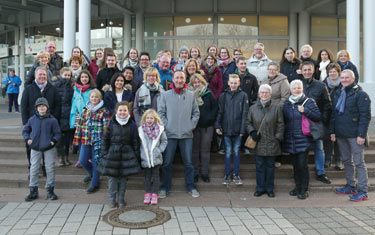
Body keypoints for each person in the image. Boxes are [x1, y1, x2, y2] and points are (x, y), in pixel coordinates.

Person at [157, 70, 200, 198]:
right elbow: (160, 113)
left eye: (182, 78)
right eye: (177, 78)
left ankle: (191, 186)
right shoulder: (165, 95)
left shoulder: (191, 95)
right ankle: (165, 187)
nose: (179, 80)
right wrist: (167, 126)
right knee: (167, 163)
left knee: (188, 163)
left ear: (185, 79)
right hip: (170, 135)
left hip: (187, 136)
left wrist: (190, 126)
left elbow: (196, 113)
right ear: (173, 79)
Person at [331, 69, 371, 202]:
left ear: (353, 79)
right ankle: (350, 185)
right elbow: (334, 114)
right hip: (341, 133)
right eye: (342, 78)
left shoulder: (360, 94)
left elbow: (365, 117)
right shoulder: (337, 93)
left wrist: (362, 134)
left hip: (355, 135)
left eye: (347, 77)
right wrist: (333, 131)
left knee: (359, 163)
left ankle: (363, 191)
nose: (344, 80)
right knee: (347, 161)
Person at [97, 101, 141, 207]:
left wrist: (136, 155)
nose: (122, 112)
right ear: (116, 111)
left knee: (123, 178)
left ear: (128, 111)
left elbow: (135, 141)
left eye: (125, 110)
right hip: (112, 155)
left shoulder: (133, 125)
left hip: (126, 155)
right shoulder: (111, 123)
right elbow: (105, 140)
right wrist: (104, 154)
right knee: (112, 178)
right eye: (120, 110)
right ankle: (112, 199)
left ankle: (121, 199)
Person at [283, 80, 321, 199]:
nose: (297, 90)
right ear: (291, 90)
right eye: (294, 88)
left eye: (299, 88)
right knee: (295, 165)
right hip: (291, 139)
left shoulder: (308, 102)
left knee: (302, 165)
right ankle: (297, 187)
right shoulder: (287, 103)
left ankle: (304, 189)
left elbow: (318, 116)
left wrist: (306, 111)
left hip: (304, 139)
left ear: (302, 89)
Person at [21, 67, 61, 172]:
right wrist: (25, 123)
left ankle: (45, 168)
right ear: (35, 76)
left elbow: (58, 105)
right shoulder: (29, 89)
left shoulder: (53, 89)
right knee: (31, 147)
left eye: (44, 74)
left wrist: (54, 119)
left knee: (46, 147)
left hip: (48, 124)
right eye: (40, 74)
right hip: (32, 124)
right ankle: (32, 168)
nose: (42, 76)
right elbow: (24, 106)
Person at [247, 84, 284, 198]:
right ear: (258, 94)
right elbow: (248, 122)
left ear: (270, 94)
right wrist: (252, 132)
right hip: (258, 142)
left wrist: (277, 137)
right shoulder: (252, 108)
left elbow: (280, 124)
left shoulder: (276, 108)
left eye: (266, 92)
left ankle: (269, 188)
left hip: (272, 142)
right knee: (259, 167)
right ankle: (260, 188)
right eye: (262, 92)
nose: (264, 94)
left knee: (270, 167)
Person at [23, 97, 61, 201]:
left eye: (43, 106)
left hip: (48, 147)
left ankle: (50, 190)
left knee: (49, 168)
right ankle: (33, 190)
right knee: (34, 168)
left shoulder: (52, 120)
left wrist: (53, 141)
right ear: (36, 108)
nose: (41, 108)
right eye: (39, 106)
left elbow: (58, 133)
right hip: (35, 147)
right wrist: (27, 139)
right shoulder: (32, 119)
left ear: (47, 107)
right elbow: (25, 130)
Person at [300, 61, 332, 184]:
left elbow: (327, 104)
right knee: (302, 149)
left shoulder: (320, 85)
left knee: (319, 148)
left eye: (309, 70)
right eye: (305, 70)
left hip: (316, 122)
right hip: (301, 123)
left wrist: (322, 119)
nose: (307, 72)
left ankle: (320, 172)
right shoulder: (297, 84)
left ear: (313, 70)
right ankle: (300, 171)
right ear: (301, 71)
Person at [73, 89, 110, 193]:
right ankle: (91, 173)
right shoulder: (85, 110)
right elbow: (79, 125)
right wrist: (77, 138)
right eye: (92, 97)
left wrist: (105, 141)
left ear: (100, 99)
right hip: (85, 139)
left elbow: (106, 127)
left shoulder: (104, 111)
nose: (94, 99)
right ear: (89, 98)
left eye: (96, 97)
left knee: (96, 161)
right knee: (83, 160)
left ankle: (95, 183)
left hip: (98, 141)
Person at [215, 74, 249, 185]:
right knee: (228, 152)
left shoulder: (243, 95)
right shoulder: (223, 96)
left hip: (238, 129)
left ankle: (236, 174)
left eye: (236, 83)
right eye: (232, 82)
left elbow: (245, 113)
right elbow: (220, 112)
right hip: (226, 129)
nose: (233, 85)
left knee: (236, 151)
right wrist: (217, 125)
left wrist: (242, 129)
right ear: (228, 83)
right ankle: (227, 174)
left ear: (239, 83)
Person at [188, 73, 218, 183]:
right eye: (194, 83)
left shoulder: (208, 94)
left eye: (198, 82)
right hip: (194, 127)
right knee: (194, 152)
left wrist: (210, 119)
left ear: (202, 82)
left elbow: (215, 108)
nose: (197, 84)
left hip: (207, 127)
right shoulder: (188, 94)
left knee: (205, 151)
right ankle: (195, 173)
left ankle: (204, 173)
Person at [261, 62, 290, 167]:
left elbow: (285, 97)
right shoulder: (264, 80)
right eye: (270, 69)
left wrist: (277, 109)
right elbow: (260, 95)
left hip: (278, 111)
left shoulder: (283, 81)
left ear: (278, 71)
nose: (271, 71)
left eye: (274, 69)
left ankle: (277, 158)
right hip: (264, 111)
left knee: (276, 135)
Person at [139, 109, 168, 205]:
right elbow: (139, 144)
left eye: (151, 118)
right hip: (146, 157)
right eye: (147, 118)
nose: (149, 120)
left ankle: (155, 194)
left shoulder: (159, 130)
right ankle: (147, 193)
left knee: (156, 176)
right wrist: (141, 153)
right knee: (147, 176)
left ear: (155, 119)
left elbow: (164, 141)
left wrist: (159, 150)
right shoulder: (141, 130)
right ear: (144, 119)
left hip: (156, 158)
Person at [53, 68, 74, 166]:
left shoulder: (72, 86)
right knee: (59, 138)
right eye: (65, 75)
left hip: (69, 115)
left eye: (69, 75)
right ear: (61, 75)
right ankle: (60, 157)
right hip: (59, 115)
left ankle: (66, 157)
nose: (67, 77)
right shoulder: (55, 86)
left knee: (67, 139)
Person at [323, 63, 343, 170]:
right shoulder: (323, 84)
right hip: (327, 115)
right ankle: (327, 159)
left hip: (339, 115)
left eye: (334, 71)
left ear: (338, 73)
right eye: (330, 72)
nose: (332, 73)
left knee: (338, 139)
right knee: (327, 138)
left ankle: (338, 160)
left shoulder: (343, 83)